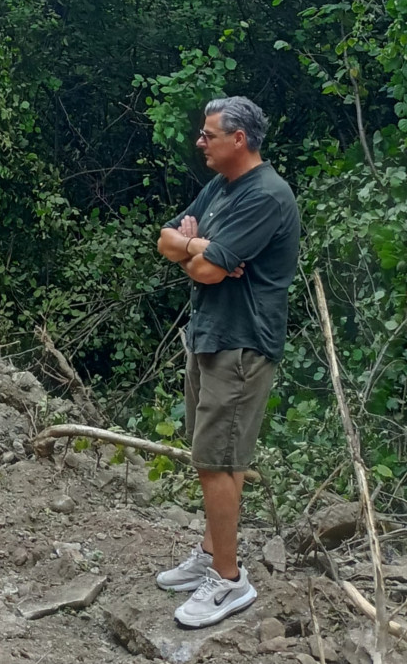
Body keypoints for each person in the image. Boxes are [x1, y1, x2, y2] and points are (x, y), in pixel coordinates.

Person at [155, 96, 300, 629]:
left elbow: (209, 272)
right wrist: (200, 245)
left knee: (217, 461)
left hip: (242, 344)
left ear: (239, 139)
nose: (200, 142)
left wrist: (197, 249)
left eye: (208, 134)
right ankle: (212, 553)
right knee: (218, 456)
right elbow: (166, 240)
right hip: (211, 336)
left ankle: (229, 579)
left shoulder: (266, 195)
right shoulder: (222, 186)